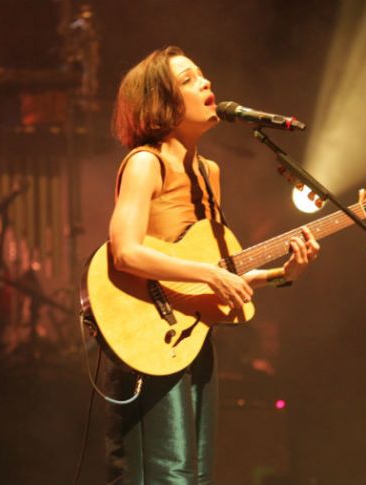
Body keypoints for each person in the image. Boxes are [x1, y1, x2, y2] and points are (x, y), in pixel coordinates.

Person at [102, 45, 320, 484]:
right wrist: (210, 273)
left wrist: (281, 275)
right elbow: (124, 251)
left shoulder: (210, 173)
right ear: (160, 103)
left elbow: (216, 269)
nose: (206, 84)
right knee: (169, 474)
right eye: (187, 80)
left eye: (203, 76)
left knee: (196, 475)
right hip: (148, 334)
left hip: (190, 334)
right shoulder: (147, 163)